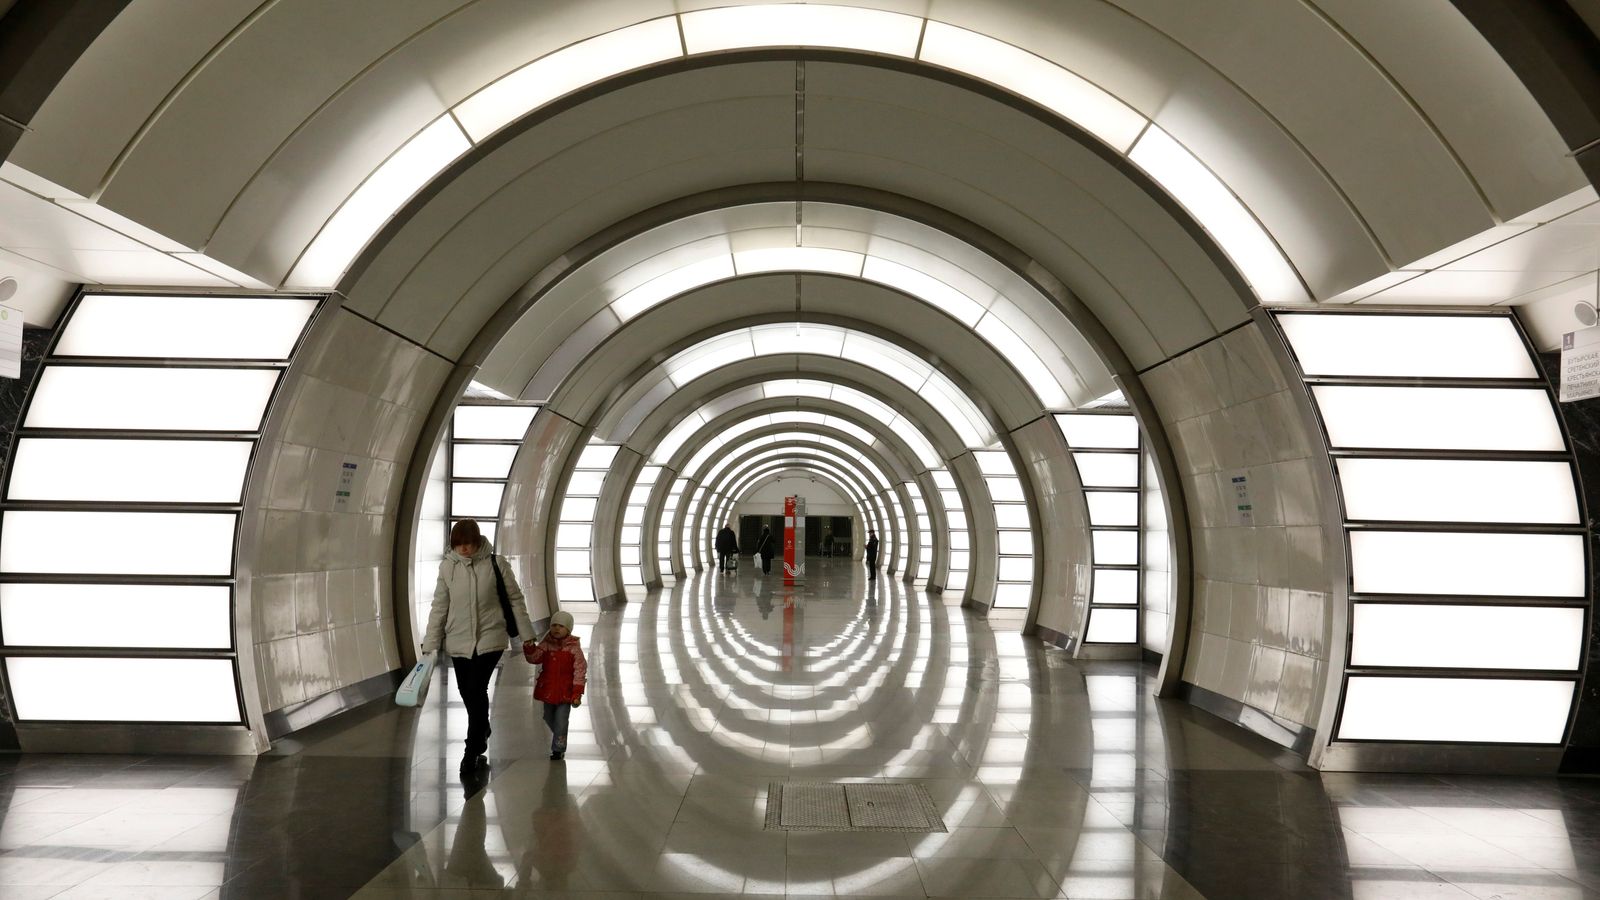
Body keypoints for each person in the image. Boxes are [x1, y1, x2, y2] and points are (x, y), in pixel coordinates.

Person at [422, 519, 536, 773]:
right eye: (459, 544)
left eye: (468, 544)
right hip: (458, 639)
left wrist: (527, 635)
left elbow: (515, 599)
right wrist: (431, 642)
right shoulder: (447, 568)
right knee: (468, 692)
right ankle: (482, 727)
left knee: (476, 687)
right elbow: (440, 605)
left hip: (490, 638)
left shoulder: (497, 564)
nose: (464, 549)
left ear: (477, 540)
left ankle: (471, 749)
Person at [525, 610, 586, 760]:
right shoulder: (546, 645)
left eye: (561, 626)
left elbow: (580, 670)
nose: (557, 629)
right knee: (548, 716)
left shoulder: (574, 649)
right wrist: (529, 648)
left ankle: (558, 748)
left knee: (561, 720)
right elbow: (534, 658)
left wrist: (577, 693)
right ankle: (560, 734)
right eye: (554, 625)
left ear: (569, 629)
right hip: (548, 690)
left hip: (566, 692)